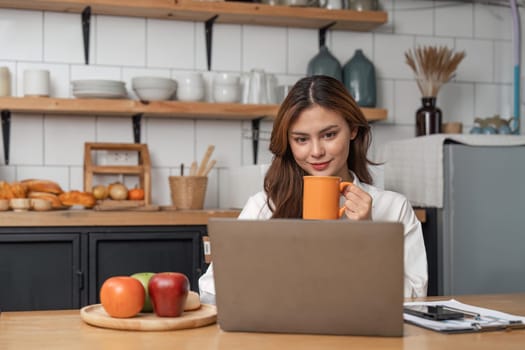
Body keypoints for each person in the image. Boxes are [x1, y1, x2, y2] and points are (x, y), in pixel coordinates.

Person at [199, 75, 428, 303]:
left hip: (363, 338)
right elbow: (210, 289)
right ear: (289, 143)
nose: (316, 151)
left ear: (353, 130)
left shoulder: (394, 208)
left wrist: (367, 239)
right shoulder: (264, 207)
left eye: (329, 135)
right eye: (301, 139)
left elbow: (416, 297)